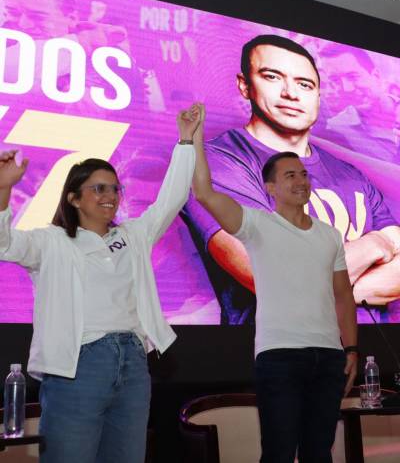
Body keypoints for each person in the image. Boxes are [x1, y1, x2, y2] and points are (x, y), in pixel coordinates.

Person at [0, 108, 199, 463]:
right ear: (74, 198)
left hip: (134, 364)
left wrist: (185, 140)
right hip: (79, 365)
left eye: (114, 188)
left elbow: (171, 199)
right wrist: (3, 188)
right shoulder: (51, 241)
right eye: (98, 188)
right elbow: (3, 245)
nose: (110, 195)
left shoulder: (132, 235)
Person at [182, 35, 400, 324]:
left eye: (305, 84)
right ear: (244, 85)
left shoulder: (348, 174)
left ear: (318, 95)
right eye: (272, 77)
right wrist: (375, 244)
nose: (291, 93)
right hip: (281, 357)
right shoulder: (214, 163)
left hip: (371, 355)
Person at [191, 103, 358, 462]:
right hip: (279, 356)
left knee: (319, 452)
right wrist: (192, 140)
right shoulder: (258, 225)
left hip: (328, 358)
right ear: (269, 187)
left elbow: (343, 294)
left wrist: (352, 350)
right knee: (279, 452)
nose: (301, 181)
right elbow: (204, 193)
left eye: (303, 174)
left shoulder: (329, 235)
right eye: (290, 176)